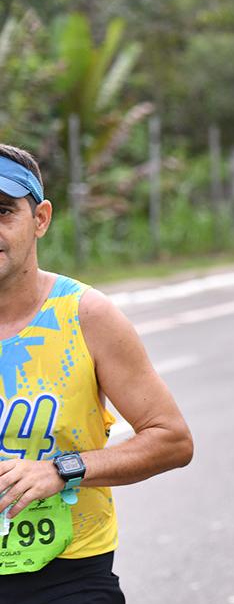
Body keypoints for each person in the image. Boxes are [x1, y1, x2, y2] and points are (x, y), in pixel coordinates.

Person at [0, 143, 194, 602]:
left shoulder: (85, 315)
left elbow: (172, 438)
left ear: (40, 219)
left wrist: (62, 469)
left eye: (3, 211)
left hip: (65, 576)